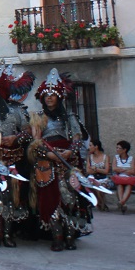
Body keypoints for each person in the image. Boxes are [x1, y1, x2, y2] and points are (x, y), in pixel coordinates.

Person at [28, 68, 89, 251]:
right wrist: (49, 155)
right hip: (47, 162)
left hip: (69, 161)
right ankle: (57, 237)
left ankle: (71, 236)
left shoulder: (69, 117)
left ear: (59, 98)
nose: (49, 98)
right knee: (51, 199)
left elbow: (78, 138)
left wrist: (70, 152)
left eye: (52, 95)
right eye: (46, 95)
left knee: (70, 199)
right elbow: (35, 143)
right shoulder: (38, 118)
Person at [0, 65, 34, 249]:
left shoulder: (17, 111)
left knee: (11, 198)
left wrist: (15, 139)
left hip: (13, 160)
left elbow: (28, 134)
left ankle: (8, 234)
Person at [111, 140, 135, 214]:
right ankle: (123, 203)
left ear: (124, 150)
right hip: (119, 178)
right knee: (119, 185)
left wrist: (120, 170)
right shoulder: (116, 158)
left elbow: (133, 171)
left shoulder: (131, 158)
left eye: (119, 148)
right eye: (117, 148)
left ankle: (121, 202)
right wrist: (126, 170)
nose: (117, 149)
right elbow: (114, 168)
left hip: (129, 179)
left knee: (129, 185)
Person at [86, 139, 110, 212]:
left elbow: (106, 171)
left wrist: (95, 169)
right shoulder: (89, 157)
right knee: (93, 186)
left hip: (103, 178)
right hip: (92, 178)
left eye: (90, 145)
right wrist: (99, 170)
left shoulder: (105, 157)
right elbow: (88, 170)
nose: (89, 147)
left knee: (100, 188)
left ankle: (100, 204)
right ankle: (102, 204)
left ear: (96, 146)